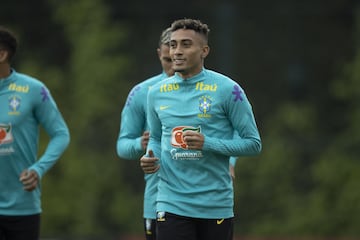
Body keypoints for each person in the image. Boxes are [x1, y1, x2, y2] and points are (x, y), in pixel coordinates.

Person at [140, 19, 262, 240]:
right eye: (173, 44)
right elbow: (156, 139)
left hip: (215, 205)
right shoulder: (155, 93)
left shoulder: (228, 90)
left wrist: (208, 143)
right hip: (171, 202)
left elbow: (253, 143)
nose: (176, 51)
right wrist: (150, 157)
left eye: (186, 44)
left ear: (204, 50)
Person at [0, 26, 70, 240]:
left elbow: (61, 134)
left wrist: (38, 170)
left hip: (21, 207)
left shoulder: (32, 90)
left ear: (2, 55)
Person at [116, 27, 174, 240]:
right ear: (159, 53)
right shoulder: (142, 92)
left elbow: (228, 131)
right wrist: (140, 143)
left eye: (176, 59)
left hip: (204, 201)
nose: (172, 67)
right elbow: (122, 145)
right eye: (167, 60)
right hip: (157, 200)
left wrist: (230, 163)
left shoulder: (210, 90)